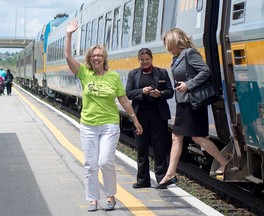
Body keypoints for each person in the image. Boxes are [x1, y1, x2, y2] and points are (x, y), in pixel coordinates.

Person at [64, 20, 143, 212]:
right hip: (88, 125)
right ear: (89, 58)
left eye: (99, 55)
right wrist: (69, 35)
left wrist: (134, 119)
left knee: (105, 161)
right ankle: (93, 199)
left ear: (104, 58)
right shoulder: (84, 73)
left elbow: (123, 100)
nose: (97, 58)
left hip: (109, 125)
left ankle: (110, 196)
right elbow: (67, 57)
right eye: (94, 55)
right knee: (90, 164)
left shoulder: (113, 77)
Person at [156, 28, 228, 189]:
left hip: (192, 103)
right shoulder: (176, 58)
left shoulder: (189, 53)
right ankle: (170, 174)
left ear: (175, 41)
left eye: (167, 42)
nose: (166, 46)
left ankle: (225, 163)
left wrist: (188, 85)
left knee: (198, 137)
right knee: (176, 137)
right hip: (184, 103)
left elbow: (205, 71)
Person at [126, 48, 174, 188]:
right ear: (138, 60)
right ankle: (143, 180)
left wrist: (160, 93)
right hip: (140, 116)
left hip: (158, 114)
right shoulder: (133, 74)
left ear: (151, 58)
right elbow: (128, 93)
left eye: (147, 59)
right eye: (142, 60)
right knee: (141, 147)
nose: (145, 62)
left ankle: (161, 179)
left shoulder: (162, 73)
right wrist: (142, 91)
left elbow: (170, 92)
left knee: (160, 147)